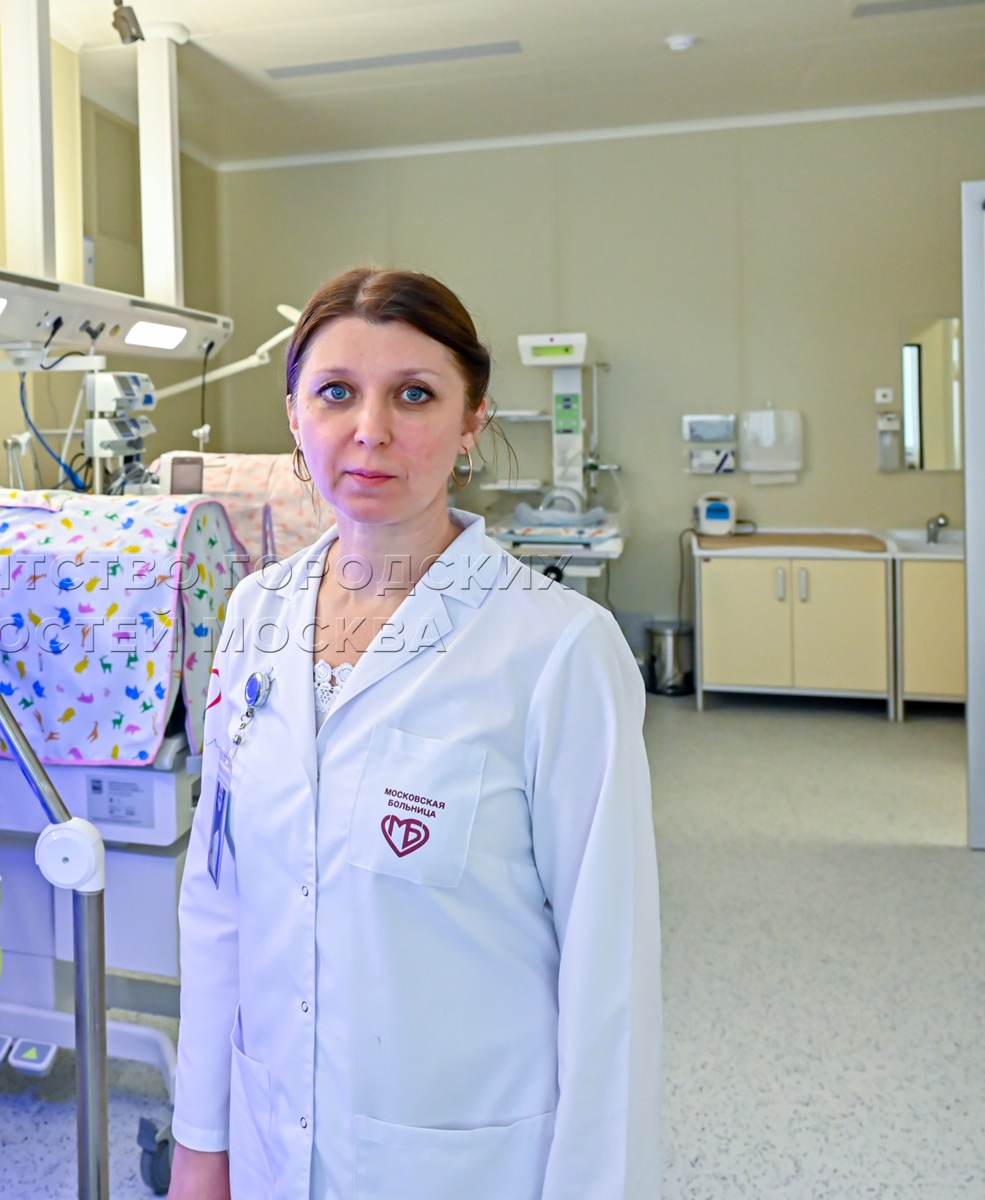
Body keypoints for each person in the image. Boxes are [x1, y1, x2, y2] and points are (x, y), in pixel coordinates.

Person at [169, 268, 661, 1199]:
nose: (370, 429)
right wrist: (201, 1140)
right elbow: (221, 900)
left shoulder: (557, 650)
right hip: (273, 1141)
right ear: (294, 417)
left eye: (415, 395)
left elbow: (612, 980)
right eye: (336, 392)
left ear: (472, 422)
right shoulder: (254, 616)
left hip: (462, 1164)